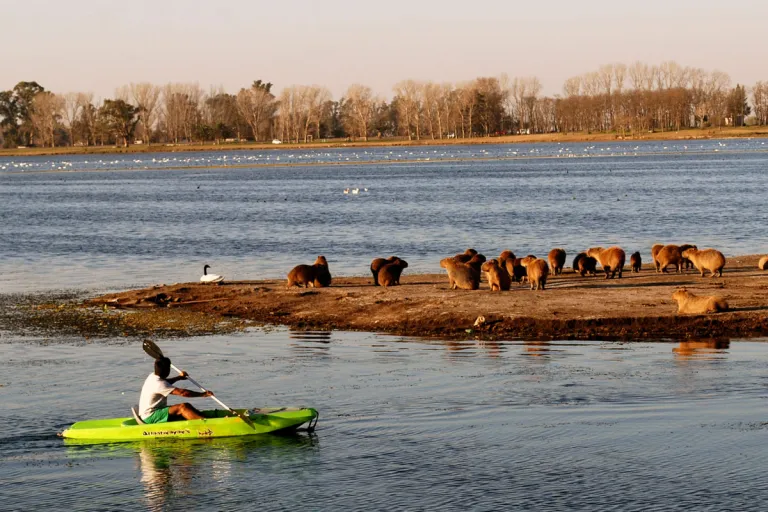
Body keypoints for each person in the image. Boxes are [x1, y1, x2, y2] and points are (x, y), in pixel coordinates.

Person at [139, 356, 213, 423]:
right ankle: (208, 425)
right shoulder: (159, 384)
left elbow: (165, 383)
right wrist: (203, 394)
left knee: (188, 407)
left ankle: (204, 419)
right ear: (167, 370)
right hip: (150, 416)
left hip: (152, 412)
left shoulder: (152, 376)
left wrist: (179, 377)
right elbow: (183, 393)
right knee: (183, 407)